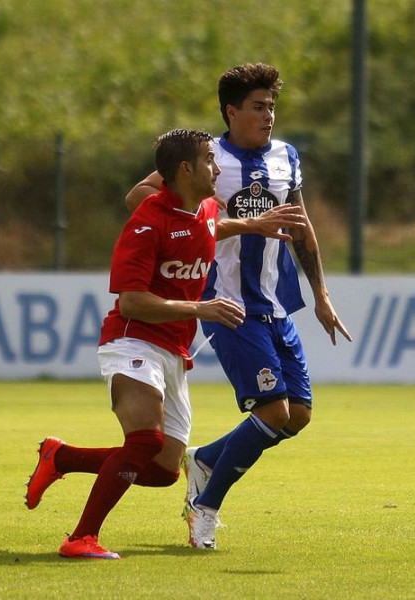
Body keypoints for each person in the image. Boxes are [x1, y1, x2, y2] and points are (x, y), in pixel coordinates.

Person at [25, 128, 307, 560]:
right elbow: (133, 302)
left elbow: (213, 225)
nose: (217, 167)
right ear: (185, 169)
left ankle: (61, 458)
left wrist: (255, 224)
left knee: (161, 472)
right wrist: (202, 309)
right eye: (210, 160)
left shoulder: (208, 208)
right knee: (143, 443)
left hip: (173, 349)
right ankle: (81, 538)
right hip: (131, 338)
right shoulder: (147, 222)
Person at [124, 63, 353, 550]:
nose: (268, 115)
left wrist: (321, 295)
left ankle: (205, 459)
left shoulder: (286, 157)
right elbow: (140, 197)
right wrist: (220, 225)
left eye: (272, 106)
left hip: (276, 305)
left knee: (298, 416)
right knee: (272, 412)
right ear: (232, 111)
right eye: (257, 107)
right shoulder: (207, 158)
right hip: (227, 305)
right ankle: (204, 507)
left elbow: (300, 227)